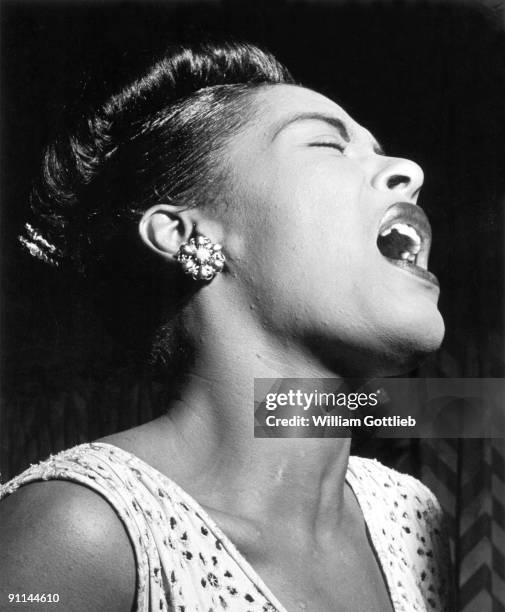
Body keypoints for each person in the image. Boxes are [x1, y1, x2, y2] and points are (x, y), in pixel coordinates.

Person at [0, 41, 451, 611]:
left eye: (380, 151)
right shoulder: (80, 533)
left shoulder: (413, 518)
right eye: (328, 144)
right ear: (187, 234)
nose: (409, 173)